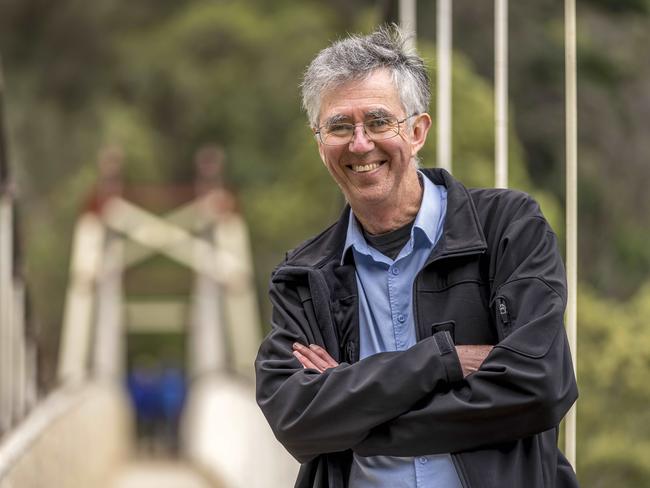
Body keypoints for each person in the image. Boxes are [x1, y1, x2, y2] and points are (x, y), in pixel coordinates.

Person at [255, 25, 578, 488]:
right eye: (340, 126)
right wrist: (442, 361)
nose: (360, 143)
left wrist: (357, 418)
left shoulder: (509, 227)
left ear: (418, 130)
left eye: (379, 121)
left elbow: (542, 386)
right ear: (319, 142)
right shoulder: (304, 277)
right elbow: (296, 421)